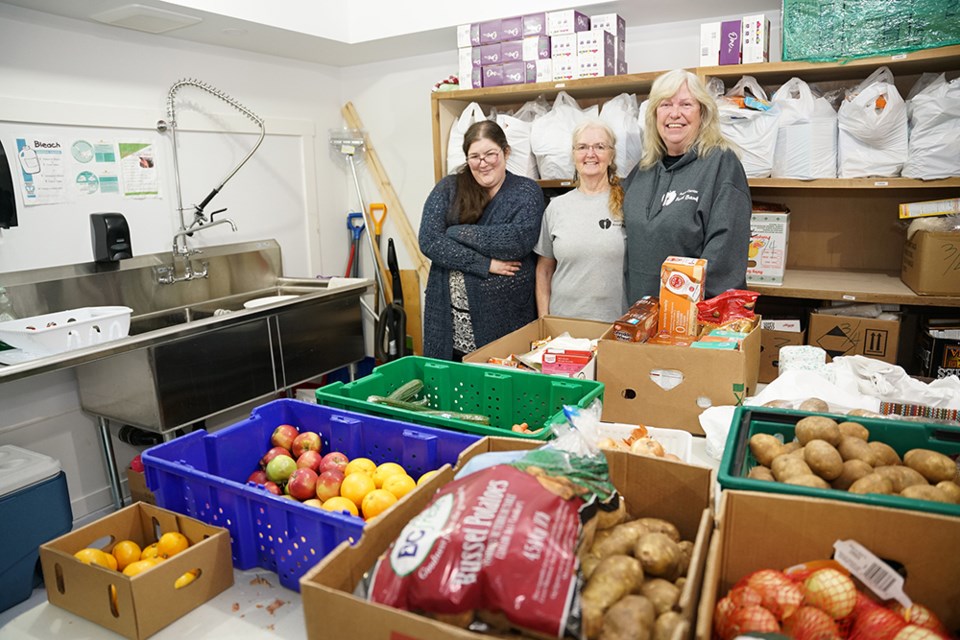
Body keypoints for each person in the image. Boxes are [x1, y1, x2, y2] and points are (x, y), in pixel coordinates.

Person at [419, 120, 545, 360]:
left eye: (490, 154)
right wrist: (484, 264)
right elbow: (429, 240)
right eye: (474, 156)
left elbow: (516, 241)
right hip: (448, 323)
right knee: (449, 387)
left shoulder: (526, 192)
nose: (483, 163)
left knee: (500, 385)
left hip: (504, 321)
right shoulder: (449, 188)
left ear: (505, 152)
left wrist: (456, 232)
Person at [623, 69, 751, 302]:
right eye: (665, 105)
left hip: (692, 318)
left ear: (702, 113)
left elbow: (725, 251)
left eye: (686, 104)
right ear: (654, 115)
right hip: (639, 316)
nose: (675, 114)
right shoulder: (643, 170)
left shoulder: (721, 164)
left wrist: (682, 311)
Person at [534, 120, 626, 322]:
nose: (590, 154)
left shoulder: (627, 204)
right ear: (573, 154)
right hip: (563, 325)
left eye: (600, 147)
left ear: (611, 155)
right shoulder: (556, 207)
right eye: (582, 147)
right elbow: (544, 270)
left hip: (615, 325)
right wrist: (545, 319)